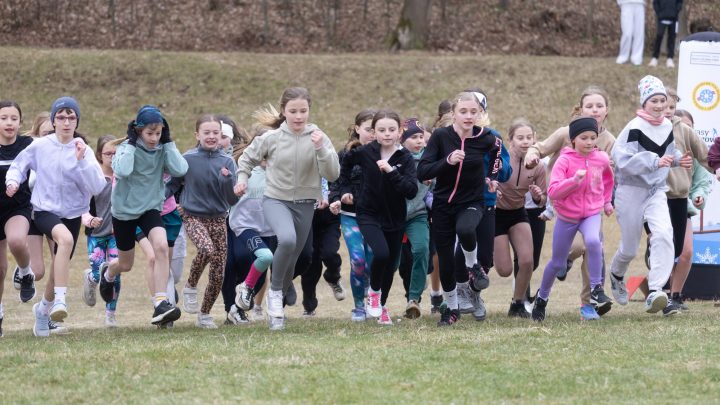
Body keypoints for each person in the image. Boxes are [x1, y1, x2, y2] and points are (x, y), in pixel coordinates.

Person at [235, 87, 340, 330]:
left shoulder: (319, 137)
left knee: (294, 258)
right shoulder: (271, 138)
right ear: (284, 111)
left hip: (305, 204)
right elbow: (247, 159)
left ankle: (273, 301)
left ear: (309, 110)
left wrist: (321, 149)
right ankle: (274, 294)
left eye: (303, 111)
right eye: (293, 111)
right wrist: (242, 179)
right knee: (288, 240)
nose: (298, 116)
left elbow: (333, 173)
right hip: (276, 200)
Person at [6, 96, 107, 337]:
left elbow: (97, 187)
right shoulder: (41, 146)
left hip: (72, 214)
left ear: (77, 121)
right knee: (66, 240)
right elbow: (19, 165)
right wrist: (13, 181)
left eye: (71, 118)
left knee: (57, 267)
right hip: (44, 210)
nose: (66, 122)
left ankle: (43, 311)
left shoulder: (83, 149)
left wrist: (82, 162)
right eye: (61, 117)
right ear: (53, 121)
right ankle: (61, 301)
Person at [525, 85, 616, 319]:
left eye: (599, 105)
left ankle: (595, 293)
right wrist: (574, 181)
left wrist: (607, 202)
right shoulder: (565, 151)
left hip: (592, 211)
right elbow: (554, 191)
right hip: (566, 213)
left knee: (594, 243)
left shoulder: (603, 152)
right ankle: (542, 298)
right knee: (557, 261)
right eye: (590, 105)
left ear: (606, 110)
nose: (589, 142)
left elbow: (609, 178)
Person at [609, 75, 692, 316]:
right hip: (631, 191)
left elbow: (668, 152)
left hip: (656, 191)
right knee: (629, 248)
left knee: (664, 234)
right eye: (653, 101)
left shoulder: (666, 126)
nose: (659, 105)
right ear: (644, 103)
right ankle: (616, 275)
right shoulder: (633, 128)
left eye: (662, 101)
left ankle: (656, 290)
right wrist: (654, 161)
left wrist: (678, 159)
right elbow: (622, 161)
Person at [99, 105, 188, 327]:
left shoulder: (162, 148)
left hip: (150, 209)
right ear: (138, 130)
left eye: (158, 133)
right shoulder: (125, 148)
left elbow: (180, 169)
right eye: (149, 133)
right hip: (124, 212)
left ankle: (160, 302)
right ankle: (108, 272)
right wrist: (130, 143)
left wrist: (169, 142)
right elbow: (122, 171)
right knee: (126, 264)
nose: (154, 138)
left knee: (160, 247)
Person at [417, 92, 500, 326]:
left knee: (466, 229)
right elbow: (423, 171)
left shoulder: (486, 137)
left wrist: (492, 177)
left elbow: (497, 152)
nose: (468, 116)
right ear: (453, 114)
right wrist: (448, 161)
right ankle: (452, 309)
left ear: (480, 113)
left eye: (474, 112)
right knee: (445, 261)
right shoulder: (441, 137)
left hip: (472, 202)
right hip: (443, 205)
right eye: (463, 111)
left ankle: (473, 266)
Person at [337, 109, 418, 325]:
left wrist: (392, 172)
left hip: (395, 218)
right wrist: (345, 189)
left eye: (391, 129)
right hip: (368, 214)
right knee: (381, 253)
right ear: (374, 132)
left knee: (390, 265)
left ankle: (381, 305)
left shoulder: (405, 157)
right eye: (381, 130)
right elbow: (345, 166)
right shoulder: (365, 152)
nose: (387, 134)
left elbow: (410, 190)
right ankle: (373, 293)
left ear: (400, 132)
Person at [168, 115, 238, 329]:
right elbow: (173, 185)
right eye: (206, 132)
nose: (211, 136)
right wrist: (164, 201)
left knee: (218, 271)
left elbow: (232, 199)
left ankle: (205, 314)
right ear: (197, 135)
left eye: (215, 133)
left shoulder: (227, 161)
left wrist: (227, 180)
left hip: (218, 219)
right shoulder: (187, 159)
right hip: (193, 216)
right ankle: (190, 285)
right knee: (206, 249)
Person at [493, 119, 547, 318]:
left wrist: (537, 195)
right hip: (496, 214)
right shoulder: (500, 160)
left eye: (529, 137)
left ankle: (517, 303)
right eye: (520, 138)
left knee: (527, 261)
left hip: (518, 213)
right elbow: (483, 180)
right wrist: (491, 191)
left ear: (534, 139)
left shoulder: (538, 166)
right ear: (511, 140)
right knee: (504, 270)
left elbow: (542, 200)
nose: (525, 141)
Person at [329, 109, 376, 321]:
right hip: (350, 216)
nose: (373, 134)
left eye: (376, 130)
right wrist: (338, 198)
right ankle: (358, 306)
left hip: (376, 217)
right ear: (357, 128)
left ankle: (371, 295)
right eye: (368, 129)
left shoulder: (386, 153)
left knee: (373, 261)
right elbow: (336, 182)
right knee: (358, 260)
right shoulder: (346, 154)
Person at [227, 126, 274, 324]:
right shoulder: (243, 167)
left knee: (261, 276)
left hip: (269, 228)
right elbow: (228, 195)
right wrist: (233, 190)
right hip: (244, 225)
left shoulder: (280, 171)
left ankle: (236, 309)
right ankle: (241, 292)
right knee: (265, 256)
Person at [669, 109, 713, 310]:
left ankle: (675, 295)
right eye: (681, 127)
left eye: (689, 127)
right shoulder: (664, 150)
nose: (685, 130)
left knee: (686, 251)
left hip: (683, 206)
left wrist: (698, 197)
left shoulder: (697, 155)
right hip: (660, 206)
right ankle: (659, 291)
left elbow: (701, 184)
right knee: (662, 249)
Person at [0, 101, 34, 336]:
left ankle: (25, 272)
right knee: (0, 269)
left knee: (17, 241)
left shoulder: (27, 145)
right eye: (3, 118)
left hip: (18, 208)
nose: (9, 123)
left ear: (20, 122)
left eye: (14, 118)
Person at [81, 135, 122, 328]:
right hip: (96, 233)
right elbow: (81, 205)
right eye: (108, 153)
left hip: (117, 234)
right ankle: (91, 277)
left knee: (115, 273)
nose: (112, 157)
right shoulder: (93, 177)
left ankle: (110, 314)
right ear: (99, 155)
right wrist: (89, 220)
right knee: (99, 274)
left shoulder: (122, 177)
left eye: (116, 153)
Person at [397, 118, 432, 319]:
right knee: (391, 260)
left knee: (421, 249)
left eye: (421, 137)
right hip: (393, 216)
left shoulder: (429, 160)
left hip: (417, 215)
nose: (419, 141)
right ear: (402, 140)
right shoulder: (395, 159)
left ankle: (414, 299)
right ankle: (376, 299)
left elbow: (435, 187)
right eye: (414, 137)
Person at [649, 0, 683, 68]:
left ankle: (670, 58)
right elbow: (655, 3)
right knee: (659, 37)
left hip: (673, 19)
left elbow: (680, 2)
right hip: (661, 18)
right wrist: (659, 13)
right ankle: (655, 58)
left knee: (672, 38)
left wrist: (675, 11)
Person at [616, 0, 647, 65]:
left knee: (639, 32)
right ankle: (623, 56)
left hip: (639, 3)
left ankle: (637, 57)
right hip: (626, 3)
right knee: (627, 33)